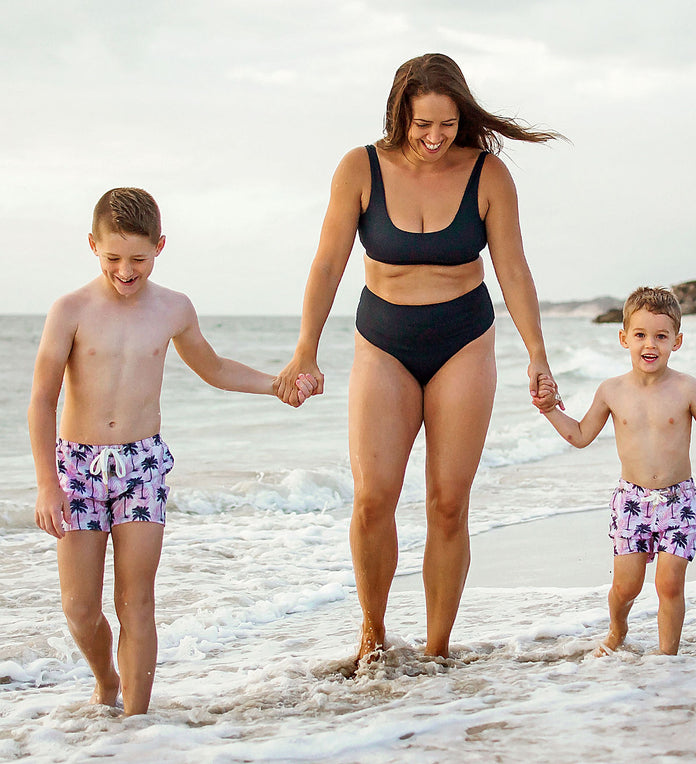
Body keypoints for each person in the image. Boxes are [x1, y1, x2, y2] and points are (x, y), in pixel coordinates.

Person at [274, 53, 561, 663]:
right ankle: (372, 638)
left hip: (464, 338)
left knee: (449, 501)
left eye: (448, 126)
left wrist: (537, 352)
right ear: (400, 113)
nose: (435, 139)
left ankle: (436, 653)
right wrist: (306, 347)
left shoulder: (489, 175)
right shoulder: (359, 167)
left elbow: (512, 266)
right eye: (422, 124)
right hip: (383, 340)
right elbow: (327, 262)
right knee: (373, 497)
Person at [28, 187, 315, 715]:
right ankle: (106, 681)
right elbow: (43, 399)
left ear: (160, 246)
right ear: (92, 245)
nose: (126, 270)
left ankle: (137, 728)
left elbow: (214, 367)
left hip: (141, 466)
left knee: (137, 600)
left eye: (138, 258)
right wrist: (48, 483)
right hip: (77, 468)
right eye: (114, 257)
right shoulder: (69, 310)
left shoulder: (173, 308)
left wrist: (276, 384)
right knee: (80, 607)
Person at [533, 286, 696, 655]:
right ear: (624, 338)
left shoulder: (687, 388)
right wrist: (550, 409)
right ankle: (617, 630)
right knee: (626, 587)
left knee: (669, 584)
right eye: (641, 335)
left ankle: (667, 658)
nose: (651, 344)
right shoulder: (611, 390)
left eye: (661, 336)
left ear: (676, 341)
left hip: (680, 501)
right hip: (631, 502)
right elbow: (581, 435)